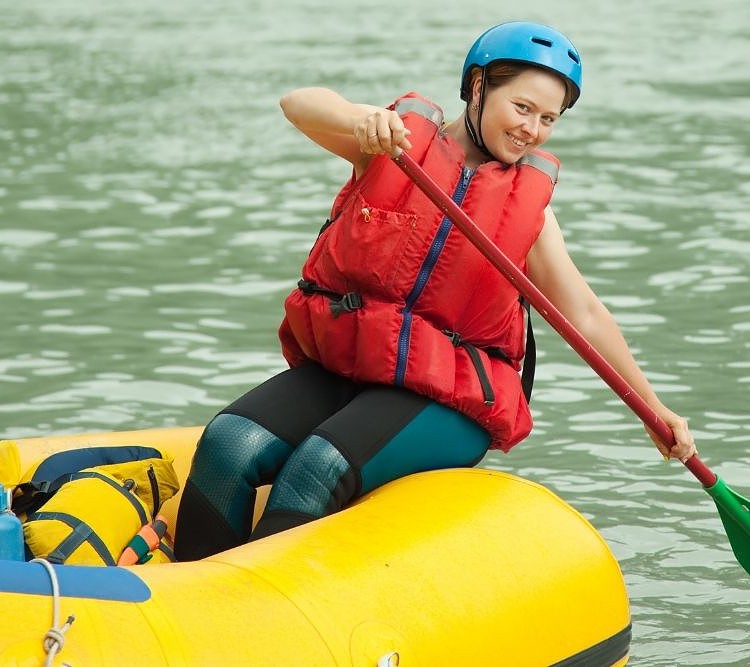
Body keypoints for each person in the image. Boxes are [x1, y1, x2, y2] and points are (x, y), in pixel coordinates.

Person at [173, 21, 696, 561]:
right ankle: (187, 597)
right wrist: (365, 119)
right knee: (227, 445)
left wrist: (653, 410)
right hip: (353, 367)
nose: (532, 130)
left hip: (450, 401)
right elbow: (298, 103)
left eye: (548, 119)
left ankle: (265, 615)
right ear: (476, 88)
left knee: (317, 467)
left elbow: (584, 314)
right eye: (521, 108)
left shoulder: (531, 217)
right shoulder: (391, 145)